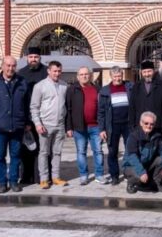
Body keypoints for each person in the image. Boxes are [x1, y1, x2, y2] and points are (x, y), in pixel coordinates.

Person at [0, 56, 29, 194]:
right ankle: (2, 182)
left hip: (17, 126)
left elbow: (27, 104)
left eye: (13, 66)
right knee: (0, 156)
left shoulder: (22, 82)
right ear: (2, 66)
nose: (10, 68)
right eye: (8, 65)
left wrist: (27, 122)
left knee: (16, 156)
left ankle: (13, 181)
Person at [30, 60, 68, 189]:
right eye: (54, 71)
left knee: (57, 152)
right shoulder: (40, 86)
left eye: (59, 71)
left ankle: (56, 177)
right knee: (44, 152)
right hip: (45, 125)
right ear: (49, 71)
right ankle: (44, 179)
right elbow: (34, 107)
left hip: (60, 125)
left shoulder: (64, 85)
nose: (57, 73)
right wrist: (37, 124)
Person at [66, 66, 105, 185]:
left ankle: (99, 175)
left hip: (96, 126)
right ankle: (83, 175)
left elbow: (102, 108)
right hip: (79, 127)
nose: (84, 76)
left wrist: (103, 127)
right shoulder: (72, 90)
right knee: (81, 152)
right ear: (78, 77)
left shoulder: (97, 89)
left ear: (91, 76)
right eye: (81, 74)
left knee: (98, 151)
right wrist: (69, 127)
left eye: (86, 74)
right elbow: (68, 109)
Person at [98, 65, 133, 185]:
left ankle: (128, 173)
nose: (118, 78)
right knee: (112, 152)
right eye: (115, 76)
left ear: (122, 75)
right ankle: (114, 176)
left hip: (128, 124)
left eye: (119, 76)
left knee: (130, 149)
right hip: (112, 126)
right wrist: (102, 129)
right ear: (111, 76)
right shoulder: (104, 91)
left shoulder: (129, 87)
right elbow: (101, 112)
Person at [17, 46, 47, 185]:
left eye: (36, 57)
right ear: (26, 58)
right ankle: (26, 176)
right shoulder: (21, 74)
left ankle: (41, 176)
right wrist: (26, 120)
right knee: (26, 148)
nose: (33, 59)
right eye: (31, 57)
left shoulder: (46, 72)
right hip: (26, 117)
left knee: (42, 149)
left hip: (43, 117)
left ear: (40, 58)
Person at [123, 111, 162, 194]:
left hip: (147, 164)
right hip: (131, 166)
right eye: (146, 123)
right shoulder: (133, 136)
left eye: (152, 124)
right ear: (141, 123)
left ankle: (156, 183)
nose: (149, 126)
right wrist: (141, 172)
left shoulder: (157, 136)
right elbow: (132, 157)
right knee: (139, 177)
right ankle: (131, 182)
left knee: (161, 160)